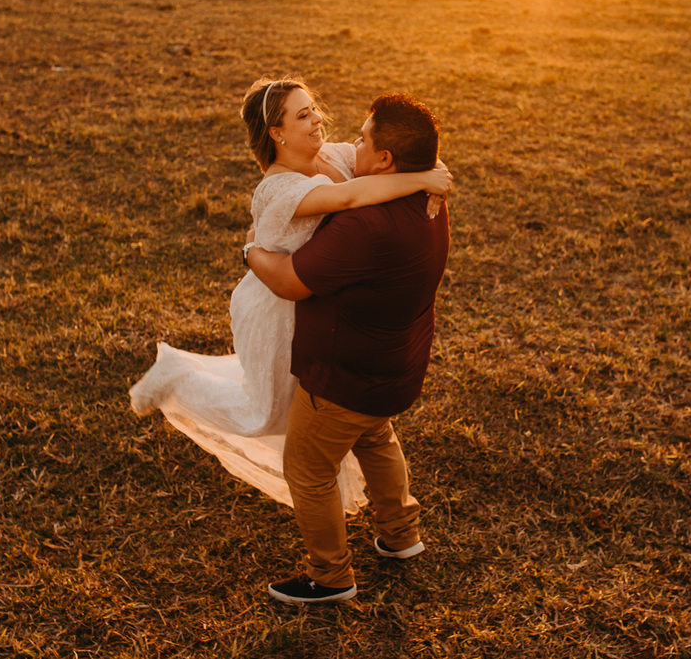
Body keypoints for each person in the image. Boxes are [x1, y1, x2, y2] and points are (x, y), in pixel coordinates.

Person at [129, 78, 451, 514]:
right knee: (264, 412)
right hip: (275, 310)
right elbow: (356, 193)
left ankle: (361, 521)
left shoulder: (333, 156)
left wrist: (431, 170)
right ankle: (175, 380)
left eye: (313, 107)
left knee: (344, 425)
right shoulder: (277, 189)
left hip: (317, 309)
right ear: (276, 133)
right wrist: (425, 177)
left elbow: (384, 155)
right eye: (303, 115)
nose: (318, 118)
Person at [245, 93, 450, 604]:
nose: (349, 140)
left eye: (364, 138)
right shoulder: (426, 200)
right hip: (396, 361)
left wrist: (249, 251)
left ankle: (330, 576)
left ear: (384, 160)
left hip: (344, 372)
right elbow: (417, 159)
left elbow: (291, 282)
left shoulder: (364, 225)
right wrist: (431, 172)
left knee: (308, 469)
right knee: (376, 437)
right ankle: (401, 535)